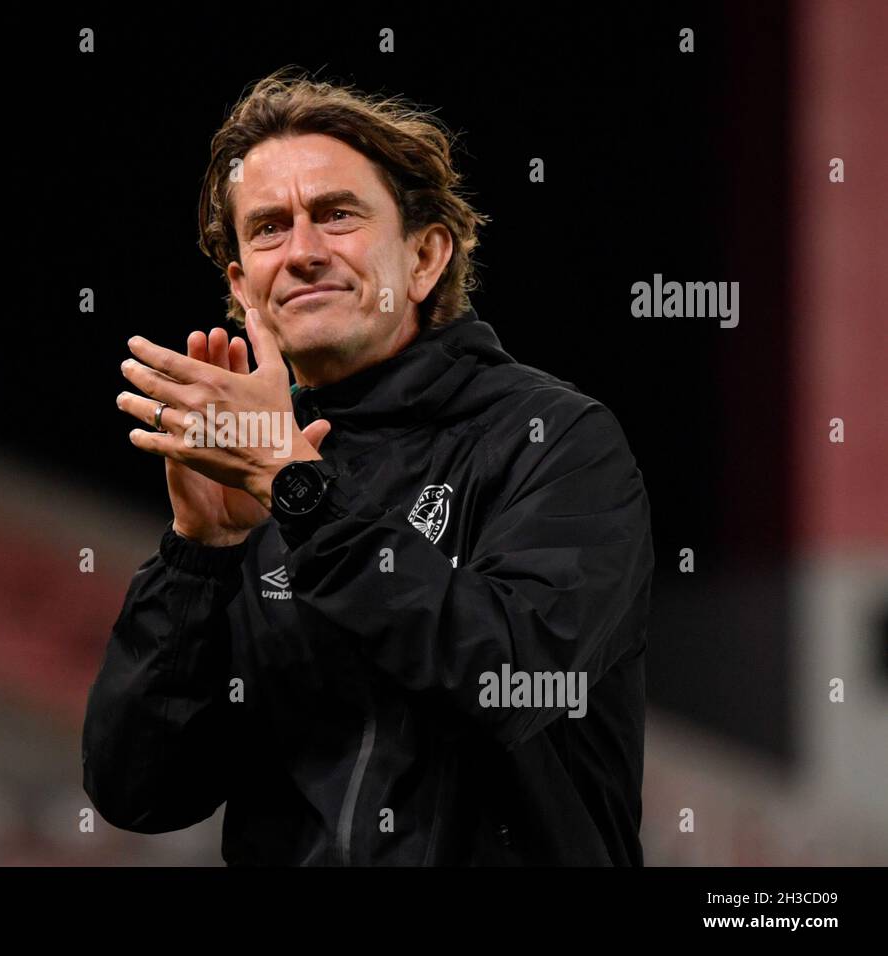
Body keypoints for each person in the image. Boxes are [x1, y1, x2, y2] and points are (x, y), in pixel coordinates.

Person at [82, 68, 655, 865]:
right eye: (270, 229)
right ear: (242, 286)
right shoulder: (251, 478)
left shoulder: (555, 440)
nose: (305, 251)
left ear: (424, 256)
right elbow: (140, 791)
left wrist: (302, 493)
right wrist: (197, 559)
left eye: (337, 215)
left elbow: (513, 681)